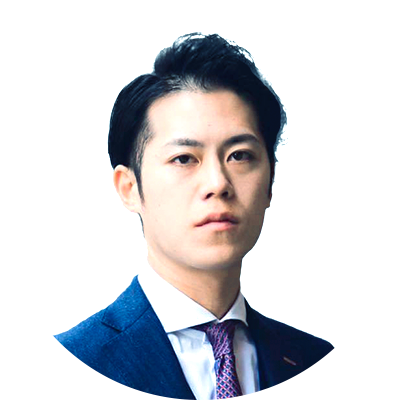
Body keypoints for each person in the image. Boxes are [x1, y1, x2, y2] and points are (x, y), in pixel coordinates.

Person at [3, 33, 350, 399]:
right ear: (129, 188)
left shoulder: (314, 364)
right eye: (184, 159)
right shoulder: (60, 373)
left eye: (240, 155)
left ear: (270, 182)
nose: (218, 183)